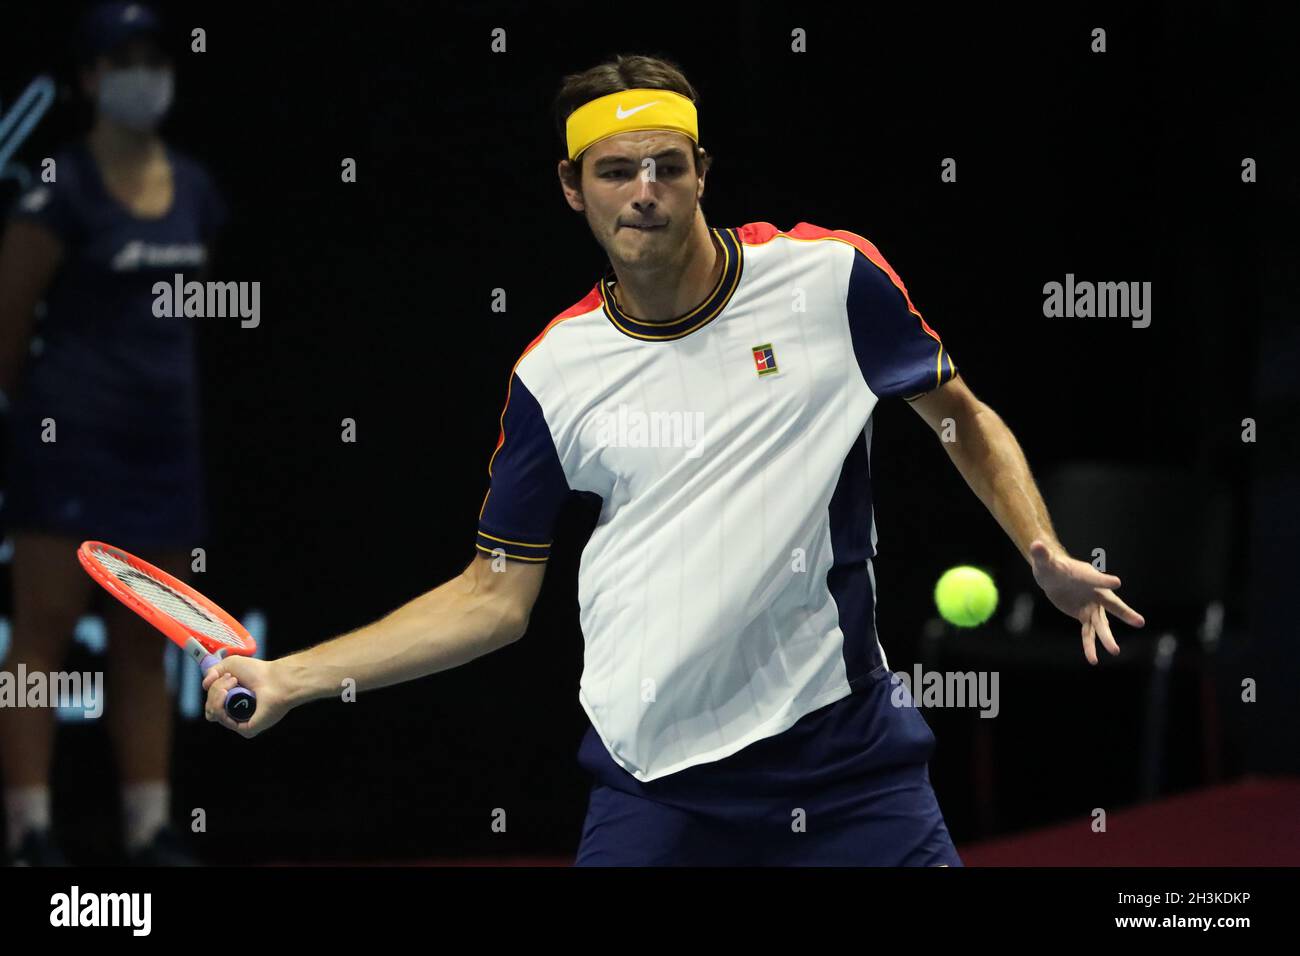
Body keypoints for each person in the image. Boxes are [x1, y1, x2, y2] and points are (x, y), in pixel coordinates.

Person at [201, 54, 1144, 865]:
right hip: (656, 783)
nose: (643, 190)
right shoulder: (554, 374)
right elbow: (492, 598)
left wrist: (1039, 549)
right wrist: (290, 677)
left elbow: (962, 418)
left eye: (666, 165)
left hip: (845, 759)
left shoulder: (830, 281)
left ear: (702, 174)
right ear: (573, 188)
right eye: (616, 171)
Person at [0, 2, 226, 865]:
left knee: (147, 638)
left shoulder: (196, 187)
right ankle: (28, 832)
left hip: (164, 450)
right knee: (44, 629)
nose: (144, 74)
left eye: (153, 57)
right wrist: (43, 411)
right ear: (91, 79)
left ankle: (149, 827)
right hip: (68, 442)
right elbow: (9, 318)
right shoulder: (57, 184)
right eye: (121, 59)